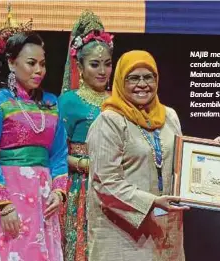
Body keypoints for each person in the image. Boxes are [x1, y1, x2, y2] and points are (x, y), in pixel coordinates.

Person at [86, 50, 189, 261]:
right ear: (121, 81)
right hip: (123, 235)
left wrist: (207, 155)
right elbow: (105, 183)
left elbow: (180, 161)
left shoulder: (169, 116)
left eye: (148, 77)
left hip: (166, 232)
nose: (142, 84)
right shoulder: (110, 121)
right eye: (133, 78)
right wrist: (152, 202)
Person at [0, 31, 68, 260]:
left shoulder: (51, 103)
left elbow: (58, 154)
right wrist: (4, 205)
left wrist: (58, 191)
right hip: (9, 196)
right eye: (31, 63)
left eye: (43, 64)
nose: (39, 70)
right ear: (11, 62)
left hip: (42, 197)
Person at [58, 10, 113, 261]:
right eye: (94, 64)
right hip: (80, 187)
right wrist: (86, 165)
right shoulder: (68, 102)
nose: (103, 71)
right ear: (79, 66)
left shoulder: (119, 101)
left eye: (108, 64)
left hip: (114, 186)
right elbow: (57, 154)